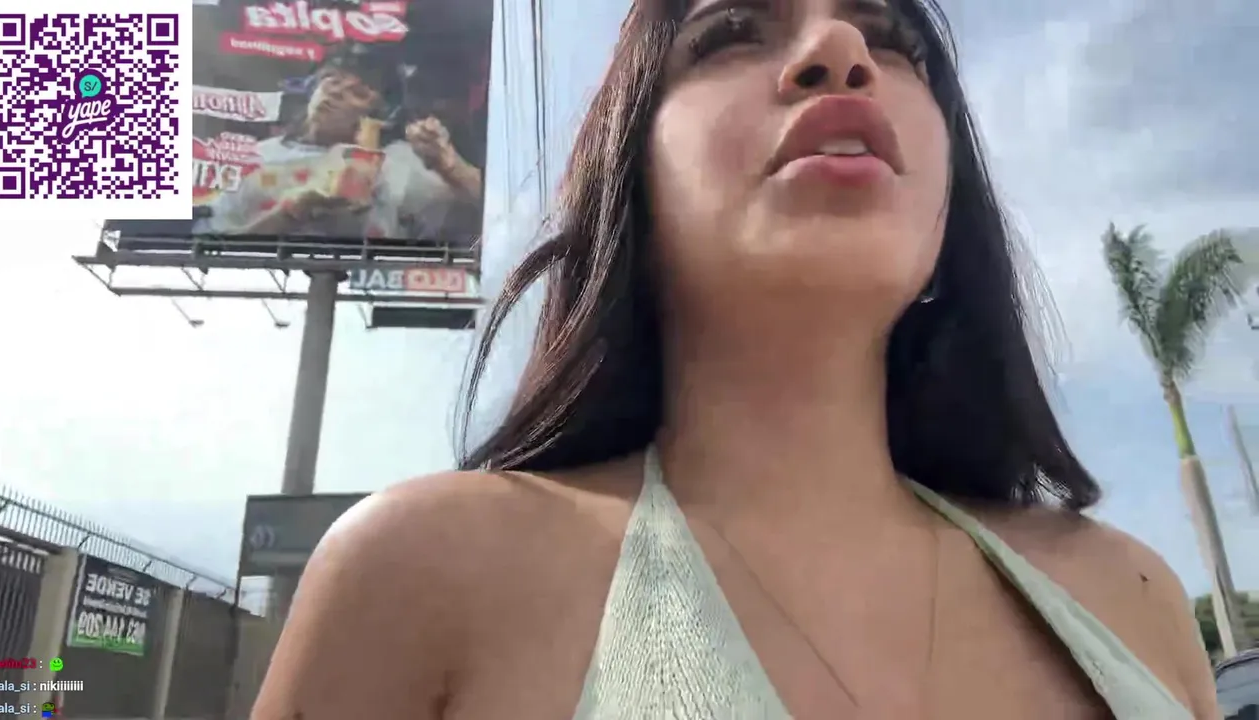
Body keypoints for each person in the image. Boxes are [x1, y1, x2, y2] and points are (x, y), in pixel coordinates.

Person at [252, 0, 1221, 717]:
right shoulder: (422, 573)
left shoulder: (1130, 601)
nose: (842, 51)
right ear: (629, 180)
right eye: (729, 33)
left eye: (892, 41)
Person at [192, 46, 483, 241]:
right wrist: (294, 211)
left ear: (381, 115)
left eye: (357, 92)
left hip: (365, 301)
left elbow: (490, 212)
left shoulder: (398, 165)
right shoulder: (255, 157)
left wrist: (449, 165)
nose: (335, 94)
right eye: (331, 80)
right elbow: (210, 248)